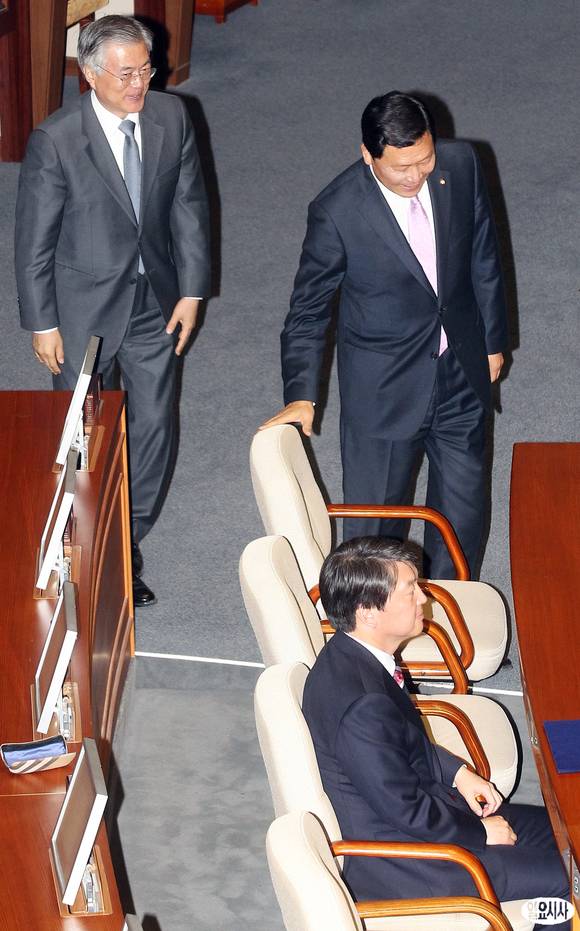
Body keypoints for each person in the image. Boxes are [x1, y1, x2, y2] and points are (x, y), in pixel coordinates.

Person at [260, 91, 508, 579]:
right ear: (367, 155)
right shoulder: (337, 211)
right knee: (376, 535)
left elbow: (483, 254)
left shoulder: (460, 164)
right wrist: (302, 394)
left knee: (463, 519)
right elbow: (308, 311)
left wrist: (493, 342)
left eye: (424, 160)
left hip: (460, 371)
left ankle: (452, 619)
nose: (416, 176)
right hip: (384, 391)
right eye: (401, 168)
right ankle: (375, 627)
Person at [15, 15, 210, 606]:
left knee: (154, 425)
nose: (138, 84)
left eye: (145, 70)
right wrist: (42, 322)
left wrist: (192, 290)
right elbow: (33, 243)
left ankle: (125, 542)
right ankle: (80, 538)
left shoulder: (172, 116)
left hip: (154, 303)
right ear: (89, 74)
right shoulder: (56, 140)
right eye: (125, 75)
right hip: (81, 312)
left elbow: (189, 206)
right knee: (79, 433)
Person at [302, 537, 569, 913]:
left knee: (568, 831)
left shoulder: (352, 656)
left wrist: (459, 773)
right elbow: (406, 810)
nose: (423, 599)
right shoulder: (362, 707)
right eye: (410, 590)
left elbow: (401, 743)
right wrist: (481, 833)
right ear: (369, 612)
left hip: (434, 812)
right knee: (569, 879)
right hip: (417, 863)